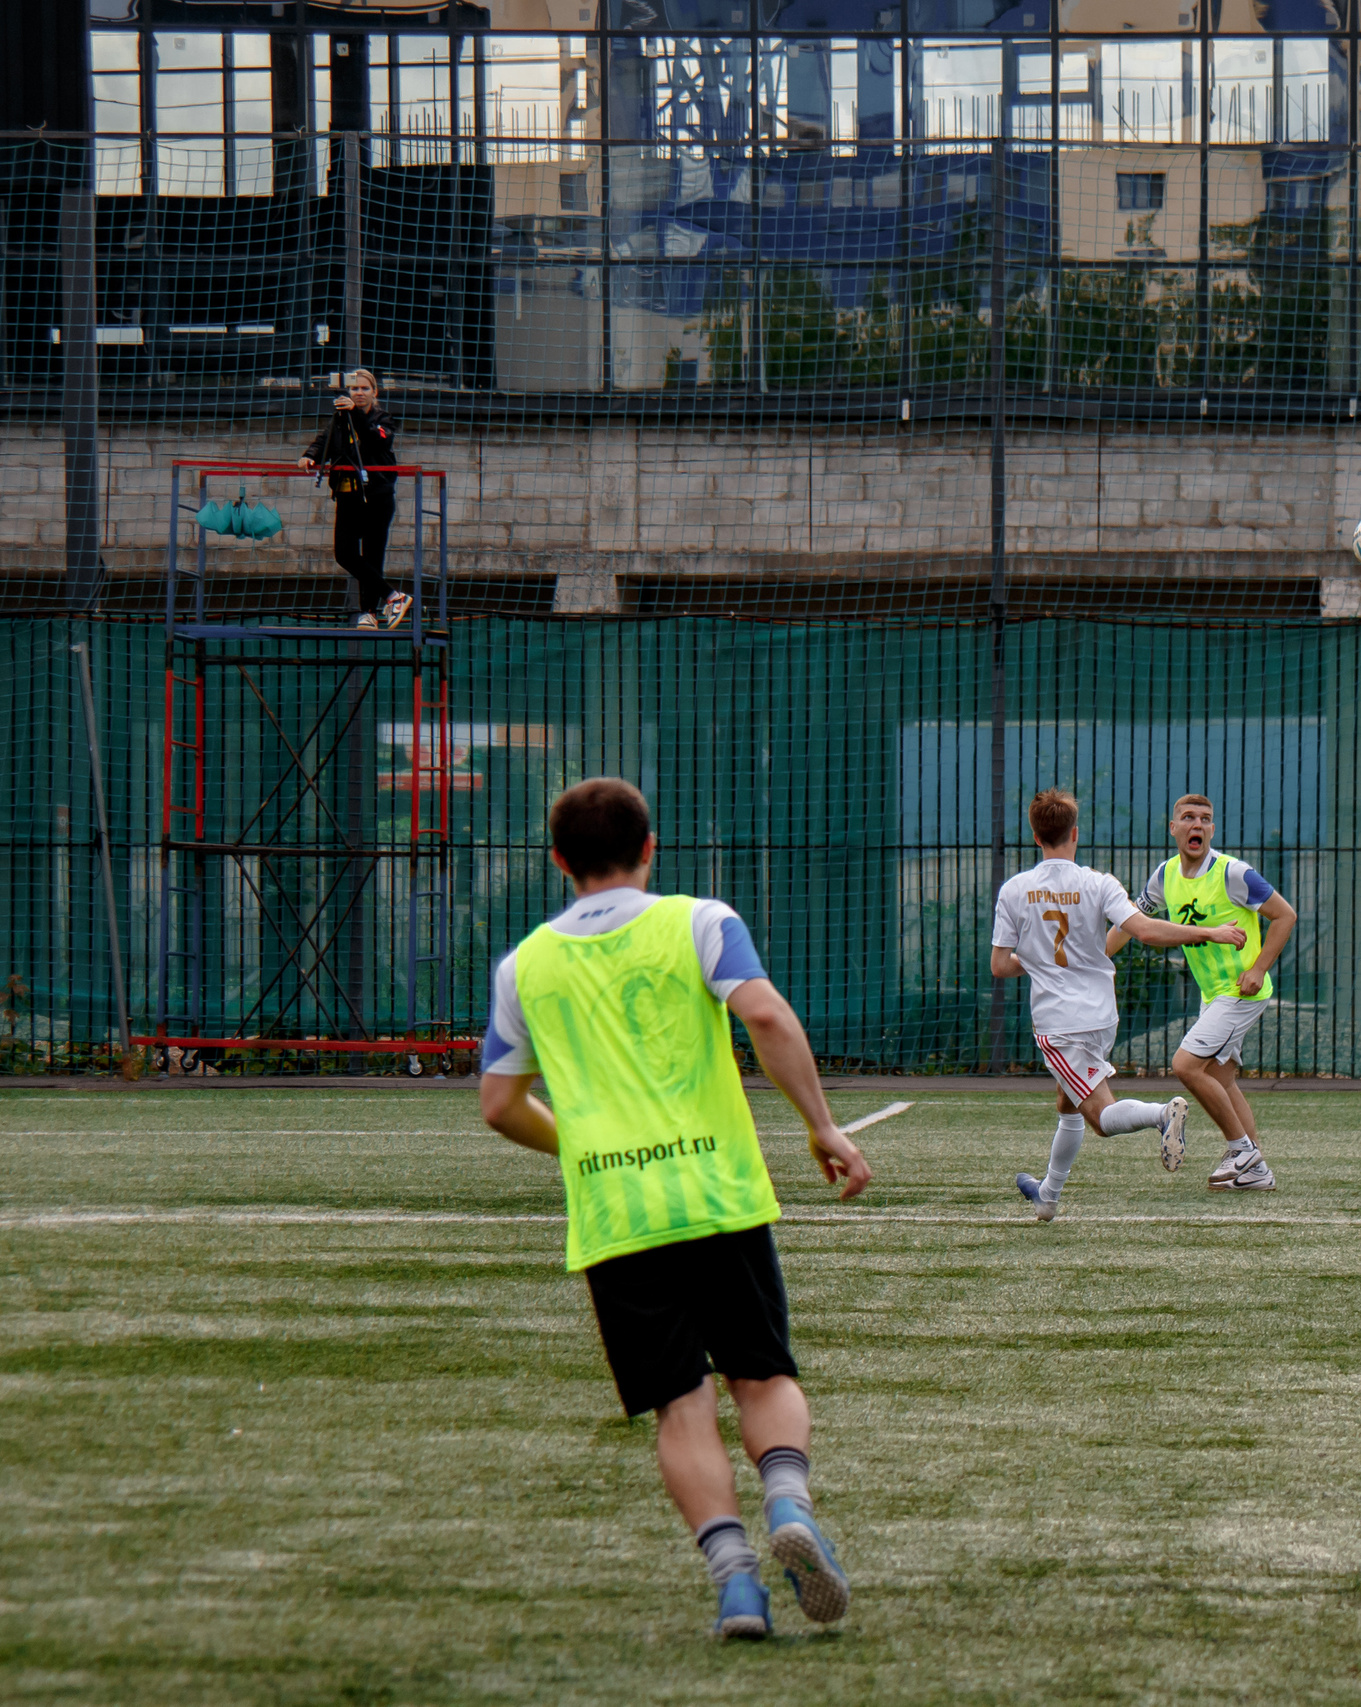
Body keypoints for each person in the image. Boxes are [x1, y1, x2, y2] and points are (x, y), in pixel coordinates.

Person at [479, 778, 874, 1640]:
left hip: (618, 1215)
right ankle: (789, 1500)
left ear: (558, 862)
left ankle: (735, 1581)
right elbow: (763, 1013)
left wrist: (581, 1147)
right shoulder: (699, 921)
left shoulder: (525, 965)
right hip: (719, 1194)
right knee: (762, 1372)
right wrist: (821, 1125)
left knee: (682, 1403)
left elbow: (500, 1103)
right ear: (650, 847)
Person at [992, 788, 1246, 1221]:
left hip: (1059, 1023)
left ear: (1036, 837)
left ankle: (1161, 1114)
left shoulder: (1016, 890)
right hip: (1102, 1016)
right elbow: (1145, 930)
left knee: (1100, 1116)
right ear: (1074, 834)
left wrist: (1033, 960)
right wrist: (1208, 931)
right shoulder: (1098, 882)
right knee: (1067, 1102)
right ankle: (1048, 1196)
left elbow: (1000, 965)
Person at [1108, 793, 1297, 1192]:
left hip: (1241, 991)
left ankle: (1241, 1151)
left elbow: (1285, 915)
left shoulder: (1233, 873)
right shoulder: (1164, 876)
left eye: (1205, 819)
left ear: (1212, 830)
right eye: (1188, 818)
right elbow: (1131, 922)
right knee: (1221, 1079)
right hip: (1214, 993)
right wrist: (1091, 958)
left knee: (1186, 1065)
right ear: (1173, 828)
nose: (1197, 825)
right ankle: (1255, 1172)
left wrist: (1258, 967)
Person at [296, 367, 410, 629]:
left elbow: (376, 440)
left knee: (373, 554)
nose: (359, 393)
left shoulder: (384, 419)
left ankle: (369, 612)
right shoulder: (340, 418)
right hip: (348, 495)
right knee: (344, 553)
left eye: (364, 388)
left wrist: (354, 414)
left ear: (374, 392)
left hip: (377, 496)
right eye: (354, 388)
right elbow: (324, 441)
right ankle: (394, 596)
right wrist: (310, 455)